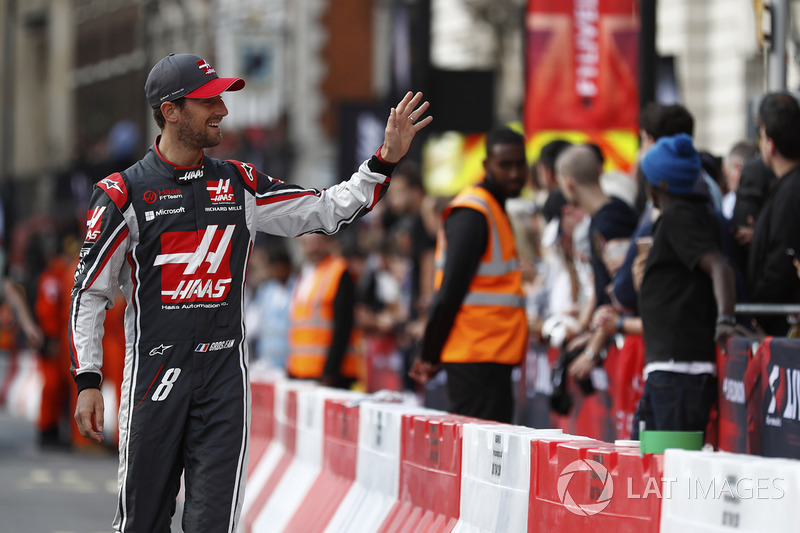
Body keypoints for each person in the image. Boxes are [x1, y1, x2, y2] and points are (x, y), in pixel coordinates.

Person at [69, 52, 431, 532]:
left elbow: (323, 210)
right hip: (155, 381)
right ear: (170, 111)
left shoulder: (240, 182)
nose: (221, 109)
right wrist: (89, 380)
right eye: (207, 100)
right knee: (141, 522)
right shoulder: (121, 194)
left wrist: (383, 160)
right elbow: (89, 294)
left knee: (212, 524)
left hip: (223, 380)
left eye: (221, 97)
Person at [408, 126, 528, 423]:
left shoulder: (491, 209)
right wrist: (430, 353)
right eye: (505, 165)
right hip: (475, 358)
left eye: (520, 164)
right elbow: (449, 291)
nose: (514, 173)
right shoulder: (473, 212)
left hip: (489, 355)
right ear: (487, 166)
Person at [632, 133, 739, 438]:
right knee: (652, 465)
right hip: (670, 372)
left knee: (669, 469)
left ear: (655, 186)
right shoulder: (683, 217)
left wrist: (725, 320)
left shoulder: (681, 218)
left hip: (679, 374)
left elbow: (719, 266)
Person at [747, 92, 800, 336]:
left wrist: (760, 310)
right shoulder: (785, 188)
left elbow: (782, 259)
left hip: (782, 329)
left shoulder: (790, 193)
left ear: (771, 143)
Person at [287, 233, 363, 389]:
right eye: (307, 243)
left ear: (328, 243)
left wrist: (330, 371)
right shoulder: (305, 274)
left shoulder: (339, 271)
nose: (312, 248)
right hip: (302, 371)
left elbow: (343, 325)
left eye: (317, 242)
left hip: (330, 375)